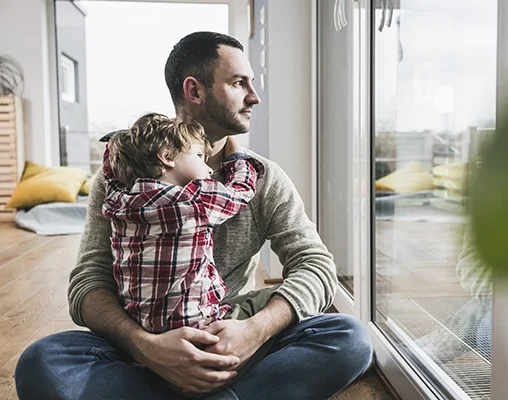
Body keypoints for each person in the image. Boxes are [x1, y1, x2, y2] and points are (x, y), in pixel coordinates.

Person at [14, 31, 373, 400]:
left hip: (231, 341)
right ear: (195, 91)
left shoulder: (261, 178)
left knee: (350, 339)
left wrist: (255, 332)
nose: (254, 96)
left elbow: (315, 264)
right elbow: (89, 280)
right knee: (41, 361)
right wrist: (145, 346)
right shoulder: (122, 172)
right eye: (238, 83)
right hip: (146, 346)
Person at [102, 113, 272, 335]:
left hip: (140, 326)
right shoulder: (196, 201)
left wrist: (116, 147)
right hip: (198, 327)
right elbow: (241, 190)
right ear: (166, 156)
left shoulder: (119, 202)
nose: (209, 168)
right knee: (275, 297)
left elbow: (110, 177)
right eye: (199, 156)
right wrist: (236, 155)